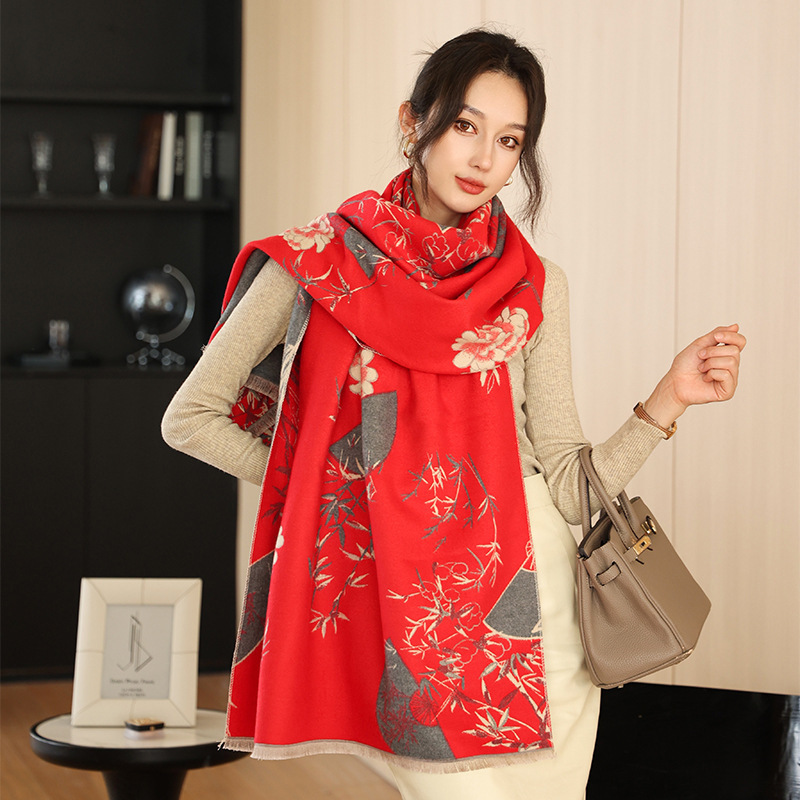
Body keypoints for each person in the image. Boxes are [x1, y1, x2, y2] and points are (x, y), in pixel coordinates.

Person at [162, 28, 745, 800]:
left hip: (531, 606)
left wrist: (669, 398)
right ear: (414, 122)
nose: (484, 158)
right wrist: (336, 492)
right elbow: (191, 417)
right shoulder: (318, 265)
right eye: (467, 125)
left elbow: (569, 486)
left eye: (509, 140)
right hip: (411, 608)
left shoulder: (536, 285)